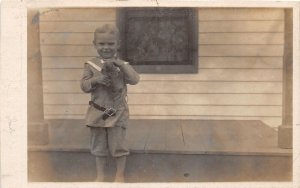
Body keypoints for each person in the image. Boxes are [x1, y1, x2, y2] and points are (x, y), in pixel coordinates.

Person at [80, 24, 140, 182]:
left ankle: (119, 175)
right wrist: (96, 79)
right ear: (95, 44)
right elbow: (84, 86)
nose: (106, 47)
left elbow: (135, 80)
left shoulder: (123, 65)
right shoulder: (90, 65)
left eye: (110, 44)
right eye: (101, 44)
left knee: (118, 146)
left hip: (117, 112)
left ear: (118, 44)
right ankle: (100, 176)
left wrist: (122, 66)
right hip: (97, 113)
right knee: (99, 147)